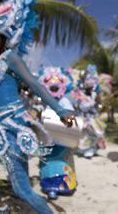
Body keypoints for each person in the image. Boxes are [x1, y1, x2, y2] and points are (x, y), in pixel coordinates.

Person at [0, 0, 75, 214]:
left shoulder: (11, 58)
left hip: (12, 128)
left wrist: (60, 110)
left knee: (22, 189)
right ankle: (0, 204)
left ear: (4, 37)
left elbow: (34, 84)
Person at [37, 67, 79, 200]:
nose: (54, 87)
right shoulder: (43, 103)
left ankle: (65, 185)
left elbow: (71, 118)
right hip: (47, 139)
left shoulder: (65, 101)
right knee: (48, 162)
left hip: (62, 139)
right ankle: (50, 187)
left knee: (61, 161)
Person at [71, 64, 106, 158]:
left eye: (92, 84)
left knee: (97, 134)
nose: (91, 87)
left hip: (94, 118)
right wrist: (93, 103)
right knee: (85, 135)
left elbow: (98, 108)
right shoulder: (80, 95)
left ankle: (93, 149)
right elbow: (82, 107)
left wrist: (98, 103)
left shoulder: (95, 95)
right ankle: (85, 150)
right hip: (85, 119)